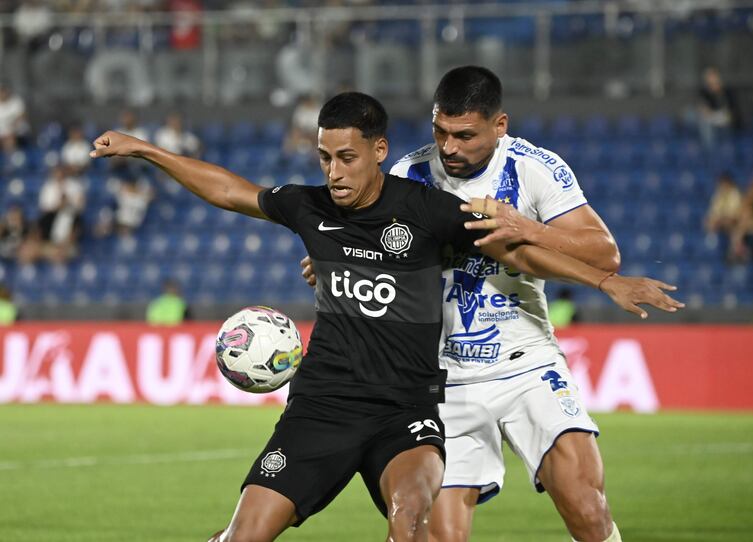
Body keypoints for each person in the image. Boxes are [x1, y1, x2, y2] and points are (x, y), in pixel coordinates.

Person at [90, 92, 681, 542]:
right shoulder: (310, 207)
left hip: (407, 412)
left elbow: (513, 250)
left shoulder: (426, 209)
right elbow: (230, 192)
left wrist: (605, 279)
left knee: (409, 526)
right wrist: (146, 150)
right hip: (323, 406)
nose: (334, 172)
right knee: (245, 535)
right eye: (324, 158)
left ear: (379, 151)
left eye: (347, 157)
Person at [301, 68, 643, 542]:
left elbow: (604, 252)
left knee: (587, 508)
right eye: (440, 132)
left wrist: (525, 225)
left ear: (499, 126)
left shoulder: (532, 168)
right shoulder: (408, 176)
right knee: (440, 535)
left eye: (465, 135)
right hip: (443, 379)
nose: (449, 147)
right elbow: (361, 244)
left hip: (527, 362)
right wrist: (336, 261)